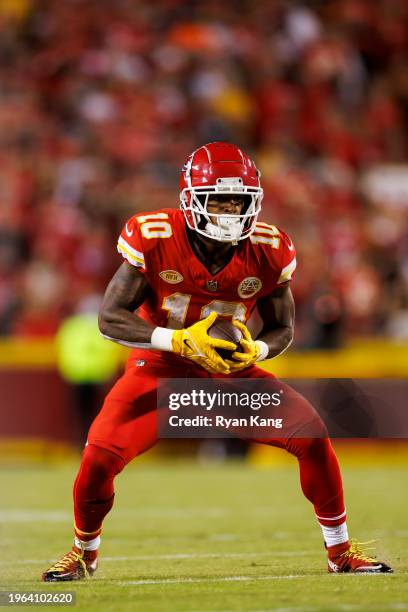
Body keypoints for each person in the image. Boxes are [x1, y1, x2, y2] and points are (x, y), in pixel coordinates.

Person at [42, 142, 392, 581]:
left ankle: (339, 553)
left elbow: (282, 327)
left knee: (312, 437)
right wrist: (180, 339)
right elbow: (110, 318)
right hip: (161, 369)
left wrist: (258, 351)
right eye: (219, 199)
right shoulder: (154, 236)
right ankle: (82, 553)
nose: (229, 210)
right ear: (190, 198)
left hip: (230, 373)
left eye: (238, 200)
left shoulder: (269, 248)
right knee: (98, 456)